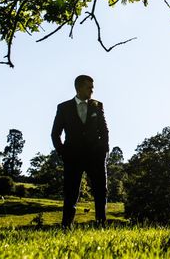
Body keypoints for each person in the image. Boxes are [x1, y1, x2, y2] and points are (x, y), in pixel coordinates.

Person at [51, 75, 109, 228]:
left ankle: (101, 225)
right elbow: (55, 133)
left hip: (95, 156)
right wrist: (63, 152)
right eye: (89, 87)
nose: (92, 90)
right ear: (79, 88)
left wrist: (104, 150)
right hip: (73, 156)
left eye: (92, 87)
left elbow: (104, 130)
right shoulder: (63, 107)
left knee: (100, 191)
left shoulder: (98, 105)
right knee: (71, 193)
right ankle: (66, 226)